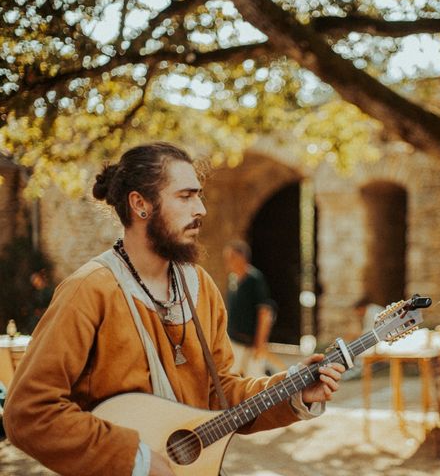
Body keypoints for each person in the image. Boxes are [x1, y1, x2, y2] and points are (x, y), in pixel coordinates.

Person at [2, 142, 345, 476]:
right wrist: (132, 459)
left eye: (198, 194)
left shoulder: (200, 288)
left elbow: (221, 396)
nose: (201, 209)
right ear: (140, 204)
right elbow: (28, 413)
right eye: (185, 196)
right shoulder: (89, 291)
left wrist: (293, 392)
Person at [222, 240, 275, 377]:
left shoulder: (254, 280)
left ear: (241, 258)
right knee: (232, 380)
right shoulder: (233, 279)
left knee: (255, 380)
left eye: (231, 257)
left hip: (251, 344)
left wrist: (259, 344)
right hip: (234, 342)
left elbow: (264, 312)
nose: (228, 262)